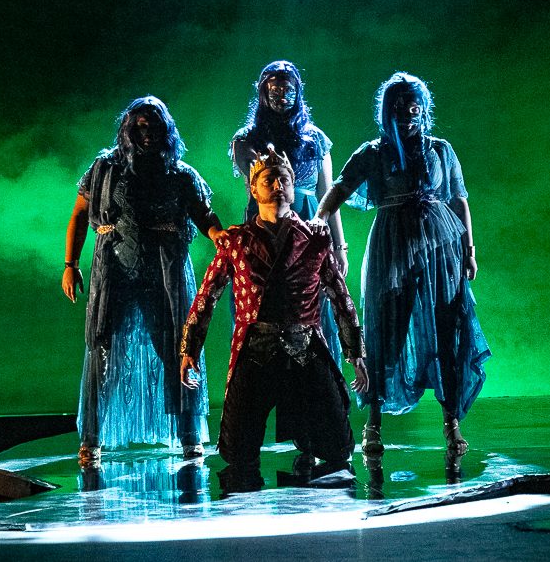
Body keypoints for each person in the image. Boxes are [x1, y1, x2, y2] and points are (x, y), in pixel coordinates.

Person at [315, 72, 490, 455]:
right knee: (384, 330)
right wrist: (319, 218)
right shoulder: (374, 152)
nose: (408, 115)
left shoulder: (441, 149)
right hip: (391, 246)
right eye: (399, 107)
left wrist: (469, 249)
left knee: (446, 330)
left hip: (439, 247)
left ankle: (451, 422)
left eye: (414, 106)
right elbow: (340, 187)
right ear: (388, 111)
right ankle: (373, 424)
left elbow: (459, 200)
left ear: (423, 108)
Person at [180, 146, 368, 489]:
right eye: (270, 179)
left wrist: (356, 354)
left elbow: (341, 298)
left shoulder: (314, 239)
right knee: (237, 453)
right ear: (254, 189)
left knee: (338, 448)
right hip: (257, 350)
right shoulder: (236, 241)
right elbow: (207, 295)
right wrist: (189, 349)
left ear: (294, 187)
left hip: (306, 350)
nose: (279, 185)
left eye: (285, 178)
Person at [62, 96, 224, 467]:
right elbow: (79, 213)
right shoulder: (104, 168)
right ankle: (91, 440)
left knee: (176, 347)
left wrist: (225, 240)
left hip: (164, 273)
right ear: (128, 128)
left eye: (154, 126)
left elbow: (205, 216)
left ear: (167, 130)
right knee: (101, 350)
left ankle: (187, 436)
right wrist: (70, 263)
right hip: (114, 269)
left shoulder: (181, 174)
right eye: (140, 126)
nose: (147, 133)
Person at [229, 60, 348, 365]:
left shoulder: (316, 139)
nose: (282, 95)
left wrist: (338, 245)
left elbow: (328, 195)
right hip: (265, 223)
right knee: (265, 301)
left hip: (309, 222)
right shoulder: (246, 139)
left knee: (309, 304)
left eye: (288, 89)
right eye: (274, 89)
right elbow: (253, 185)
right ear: (263, 93)